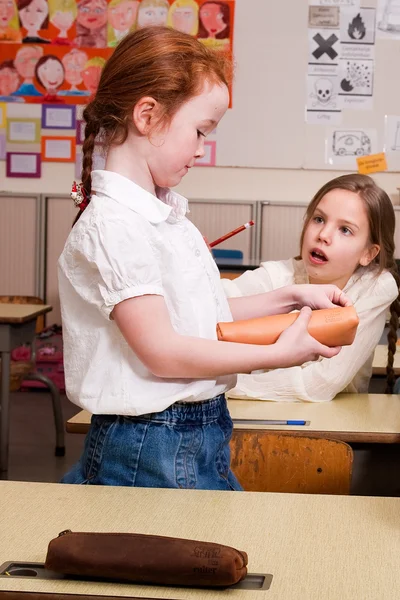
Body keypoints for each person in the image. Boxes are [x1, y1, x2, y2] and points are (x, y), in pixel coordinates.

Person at [58, 26, 350, 491]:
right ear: (148, 115)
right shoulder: (114, 226)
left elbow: (197, 314)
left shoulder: (163, 215)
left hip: (194, 430)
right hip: (148, 443)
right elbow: (163, 352)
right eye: (199, 131)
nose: (200, 149)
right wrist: (272, 356)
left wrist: (288, 297)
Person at [223, 174, 400, 402]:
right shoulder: (280, 274)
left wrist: (220, 385)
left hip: (333, 425)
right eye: (318, 219)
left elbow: (319, 384)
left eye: (345, 230)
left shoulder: (375, 287)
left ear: (369, 253)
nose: (323, 235)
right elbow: (211, 302)